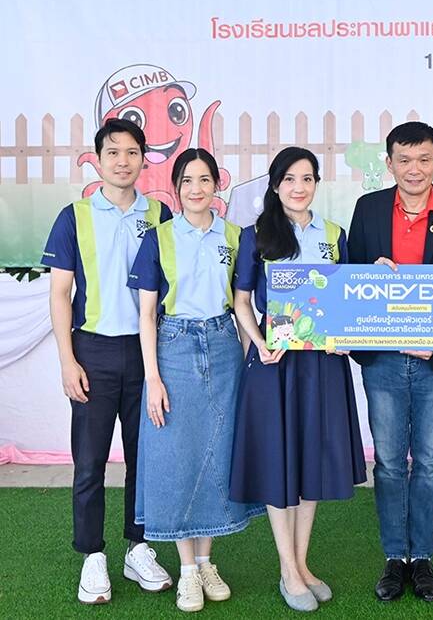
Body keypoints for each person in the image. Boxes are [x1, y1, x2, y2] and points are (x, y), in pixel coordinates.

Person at [228, 147, 367, 613]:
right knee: (279, 460)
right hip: (276, 364)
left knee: (310, 462)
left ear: (317, 184)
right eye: (289, 178)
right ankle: (287, 570)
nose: (299, 187)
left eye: (307, 178)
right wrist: (259, 341)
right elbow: (241, 300)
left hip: (323, 365)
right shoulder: (256, 235)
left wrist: (344, 335)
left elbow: (347, 296)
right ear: (275, 185)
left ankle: (303, 564)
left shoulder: (334, 235)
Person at [347, 121, 433, 603]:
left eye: (424, 159)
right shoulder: (368, 209)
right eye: (404, 160)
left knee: (427, 462)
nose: (414, 169)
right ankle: (394, 557)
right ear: (389, 164)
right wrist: (368, 272)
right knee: (387, 462)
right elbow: (349, 281)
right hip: (382, 358)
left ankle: (422, 556)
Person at [42, 118, 173, 604]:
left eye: (132, 152)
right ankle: (92, 555)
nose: (123, 161)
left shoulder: (160, 213)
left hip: (146, 354)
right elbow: (60, 293)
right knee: (90, 461)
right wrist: (67, 360)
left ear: (143, 159)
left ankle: (138, 548)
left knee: (145, 458)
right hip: (92, 352)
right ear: (97, 160)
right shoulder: (73, 216)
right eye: (113, 152)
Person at [127, 149, 264, 612]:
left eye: (205, 180)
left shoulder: (236, 237)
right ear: (176, 187)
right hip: (174, 347)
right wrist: (153, 378)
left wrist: (247, 358)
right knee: (178, 454)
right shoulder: (159, 238)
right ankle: (186, 569)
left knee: (217, 451)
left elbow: (241, 305)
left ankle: (206, 561)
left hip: (224, 346)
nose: (196, 189)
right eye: (187, 180)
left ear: (216, 185)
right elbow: (147, 314)